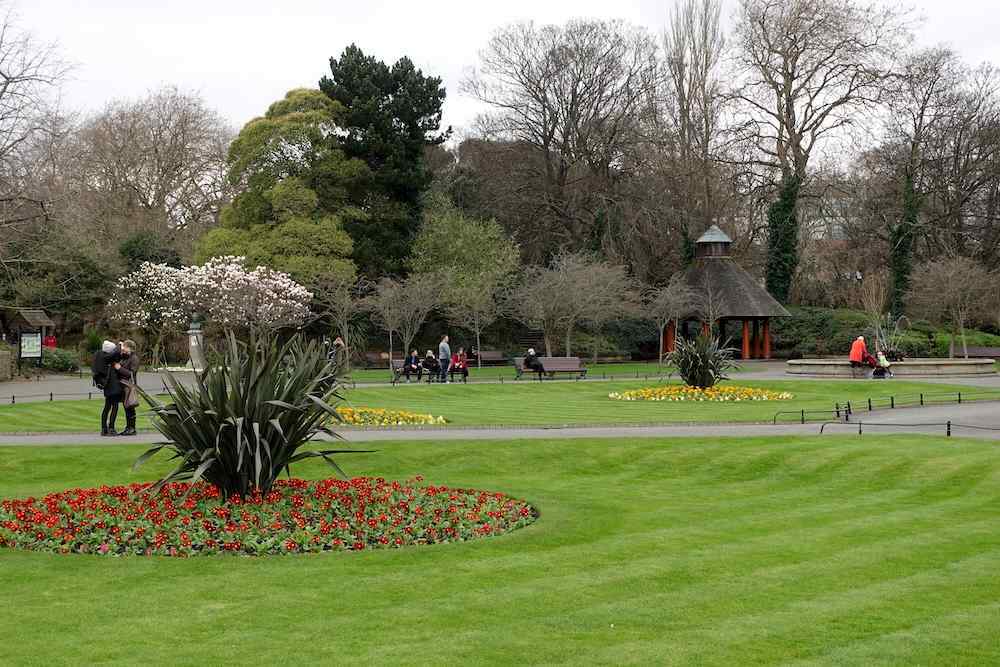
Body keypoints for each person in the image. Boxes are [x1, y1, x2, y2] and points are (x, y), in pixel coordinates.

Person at [91, 340, 123, 436]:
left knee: (107, 407)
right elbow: (117, 352)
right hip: (112, 385)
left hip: (106, 385)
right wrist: (120, 345)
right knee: (115, 407)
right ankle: (111, 428)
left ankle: (104, 428)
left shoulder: (99, 355)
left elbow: (115, 353)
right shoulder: (107, 357)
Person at [116, 339, 141, 436]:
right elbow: (117, 353)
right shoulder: (125, 357)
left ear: (130, 348)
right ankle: (128, 427)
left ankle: (132, 428)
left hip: (129, 386)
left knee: (130, 407)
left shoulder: (134, 358)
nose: (123, 349)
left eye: (125, 347)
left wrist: (119, 368)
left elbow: (131, 373)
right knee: (127, 407)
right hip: (123, 385)